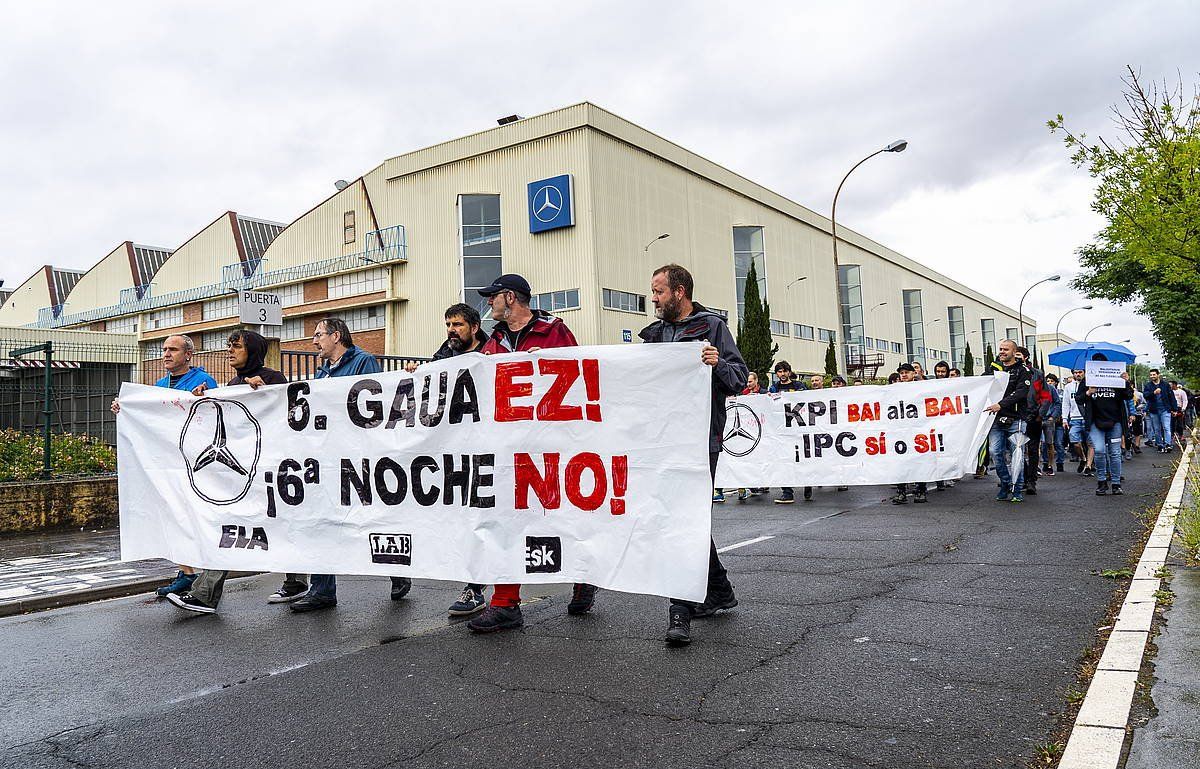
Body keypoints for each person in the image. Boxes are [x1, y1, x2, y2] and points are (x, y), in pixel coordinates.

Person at [465, 274, 589, 633]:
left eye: (492, 298)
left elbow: (581, 373)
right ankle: (505, 603)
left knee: (563, 516)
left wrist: (549, 362)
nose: (488, 304)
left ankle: (583, 576)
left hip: (553, 444)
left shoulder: (554, 331)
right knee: (507, 519)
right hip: (510, 450)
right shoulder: (496, 341)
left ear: (509, 297)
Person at [640, 263, 747, 647]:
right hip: (662, 440)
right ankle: (719, 592)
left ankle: (680, 608)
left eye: (658, 292)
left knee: (681, 518)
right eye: (653, 292)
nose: (653, 299)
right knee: (685, 517)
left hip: (701, 440)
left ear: (679, 292)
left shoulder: (713, 327)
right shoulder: (652, 336)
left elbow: (737, 378)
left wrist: (718, 364)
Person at [169, 330, 295, 614]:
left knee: (285, 525)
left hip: (272, 474)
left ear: (252, 351)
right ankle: (205, 594)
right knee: (230, 529)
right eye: (228, 346)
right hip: (244, 479)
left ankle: (297, 580)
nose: (230, 351)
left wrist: (263, 393)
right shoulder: (233, 384)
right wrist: (205, 399)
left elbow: (287, 418)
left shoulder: (273, 379)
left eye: (236, 346)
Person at [290, 318, 394, 613]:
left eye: (318, 335)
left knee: (371, 518)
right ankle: (322, 590)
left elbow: (372, 405)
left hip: (359, 457)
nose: (313, 341)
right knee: (323, 520)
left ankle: (398, 572)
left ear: (336, 336)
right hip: (330, 459)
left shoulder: (364, 362)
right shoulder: (323, 372)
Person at [111, 334, 217, 598]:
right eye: (164, 349)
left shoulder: (204, 381)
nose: (166, 354)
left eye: (173, 349)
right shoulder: (159, 385)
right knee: (171, 517)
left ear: (188, 355)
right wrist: (123, 409)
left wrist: (200, 399)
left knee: (195, 519)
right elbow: (150, 417)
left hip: (194, 463)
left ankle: (204, 575)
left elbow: (215, 413)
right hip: (168, 464)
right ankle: (187, 573)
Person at [405, 303, 492, 617]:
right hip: (456, 451)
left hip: (488, 447)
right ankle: (474, 587)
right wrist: (419, 374)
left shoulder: (493, 352)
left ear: (473, 326)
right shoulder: (442, 356)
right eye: (448, 325)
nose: (452, 331)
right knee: (468, 517)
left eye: (457, 325)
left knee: (485, 517)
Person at [984, 340, 1032, 503]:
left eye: (1006, 349)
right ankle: (1005, 482)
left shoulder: (1023, 370)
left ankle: (1017, 488)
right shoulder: (993, 369)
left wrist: (1000, 404)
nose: (1002, 352)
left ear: (1014, 351)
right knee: (995, 453)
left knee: (1017, 455)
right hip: (996, 420)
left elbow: (1021, 393)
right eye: (1001, 349)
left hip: (1016, 420)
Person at [1075, 366, 1135, 495]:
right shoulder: (1088, 380)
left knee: (1115, 453)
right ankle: (1101, 482)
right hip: (1095, 423)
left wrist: (1126, 382)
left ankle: (1116, 483)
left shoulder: (1116, 378)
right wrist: (1088, 392)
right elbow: (1078, 399)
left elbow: (1129, 395)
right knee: (1100, 451)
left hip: (1115, 422)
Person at [892, 363, 928, 504]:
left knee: (920, 460)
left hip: (918, 430)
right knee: (900, 461)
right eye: (901, 373)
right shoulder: (895, 390)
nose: (904, 375)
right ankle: (901, 492)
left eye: (907, 372)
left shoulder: (922, 388)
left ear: (914, 373)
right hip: (901, 431)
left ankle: (921, 490)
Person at [770, 362, 805, 504]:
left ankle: (808, 483)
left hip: (799, 428)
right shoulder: (774, 388)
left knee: (802, 458)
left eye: (784, 371)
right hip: (782, 429)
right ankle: (787, 492)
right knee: (783, 460)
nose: (782, 374)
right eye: (779, 372)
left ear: (789, 372)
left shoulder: (799, 386)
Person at [1062, 368, 1094, 475]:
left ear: (1084, 373)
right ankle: (1083, 459)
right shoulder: (1068, 387)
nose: (1078, 374)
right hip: (1074, 418)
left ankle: (1089, 466)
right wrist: (1065, 418)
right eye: (1075, 373)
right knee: (1075, 441)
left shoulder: (1090, 384)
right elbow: (1066, 403)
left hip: (1088, 418)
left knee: (1090, 443)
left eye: (1080, 372)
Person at [1142, 369, 1178, 453]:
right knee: (1157, 429)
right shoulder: (1148, 386)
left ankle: (1168, 444)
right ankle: (1160, 445)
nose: (1152, 376)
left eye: (1154, 374)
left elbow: (1171, 397)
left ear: (1158, 375)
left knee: (1166, 427)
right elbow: (1146, 396)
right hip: (1153, 410)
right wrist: (1153, 393)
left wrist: (1174, 409)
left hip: (1165, 409)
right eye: (1151, 375)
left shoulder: (1165, 385)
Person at [1040, 373, 1064, 475]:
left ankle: (1050, 465)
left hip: (1048, 420)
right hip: (1037, 420)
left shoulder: (1050, 388)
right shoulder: (1032, 388)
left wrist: (1052, 417)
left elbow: (1057, 403)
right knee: (1038, 444)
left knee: (1049, 443)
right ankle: (1037, 467)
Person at [1171, 381, 1189, 448]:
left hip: (1179, 408)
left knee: (1179, 423)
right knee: (1172, 423)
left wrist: (1183, 408)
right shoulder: (1170, 392)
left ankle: (1180, 435)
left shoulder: (1181, 392)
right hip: (1171, 409)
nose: (1170, 386)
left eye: (1171, 385)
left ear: (1174, 385)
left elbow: (1185, 400)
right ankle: (1173, 435)